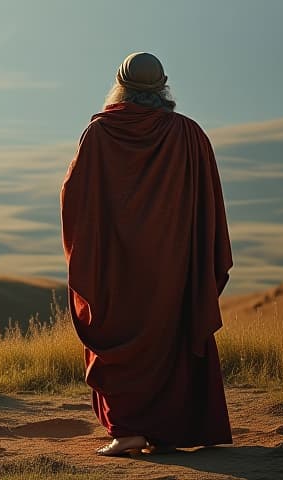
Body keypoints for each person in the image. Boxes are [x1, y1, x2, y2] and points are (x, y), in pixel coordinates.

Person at [60, 52, 233, 457]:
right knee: (171, 337)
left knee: (118, 333)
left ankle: (129, 432)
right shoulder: (190, 135)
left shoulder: (100, 135)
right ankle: (169, 430)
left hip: (116, 270)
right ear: (162, 87)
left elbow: (76, 198)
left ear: (120, 85)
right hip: (176, 268)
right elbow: (209, 206)